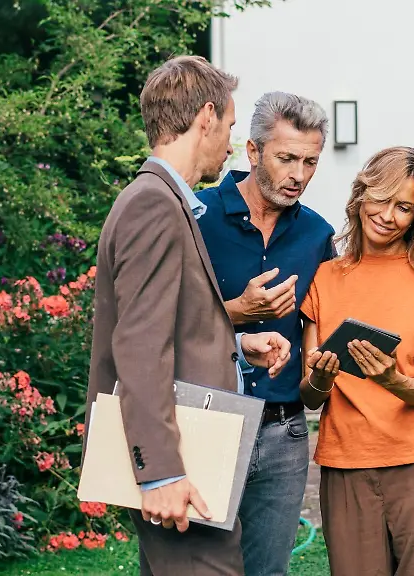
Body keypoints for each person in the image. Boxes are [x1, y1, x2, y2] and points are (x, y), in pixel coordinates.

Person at [195, 93, 414, 576]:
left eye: (310, 161)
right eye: (287, 158)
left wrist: (377, 375)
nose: (298, 174)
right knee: (191, 565)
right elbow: (158, 317)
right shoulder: (199, 219)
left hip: (299, 436)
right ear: (254, 152)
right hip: (213, 421)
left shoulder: (322, 243)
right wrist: (237, 316)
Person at [84, 55, 292, 576]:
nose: (228, 141)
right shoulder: (153, 203)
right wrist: (161, 473)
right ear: (206, 117)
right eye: (228, 124)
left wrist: (236, 346)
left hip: (190, 456)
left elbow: (163, 325)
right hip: (180, 465)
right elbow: (137, 345)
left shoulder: (160, 199)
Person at [299, 146, 414, 576]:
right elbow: (311, 397)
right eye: (382, 197)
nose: (387, 215)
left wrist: (391, 378)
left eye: (404, 207)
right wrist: (321, 376)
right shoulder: (324, 279)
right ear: (361, 193)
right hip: (346, 467)